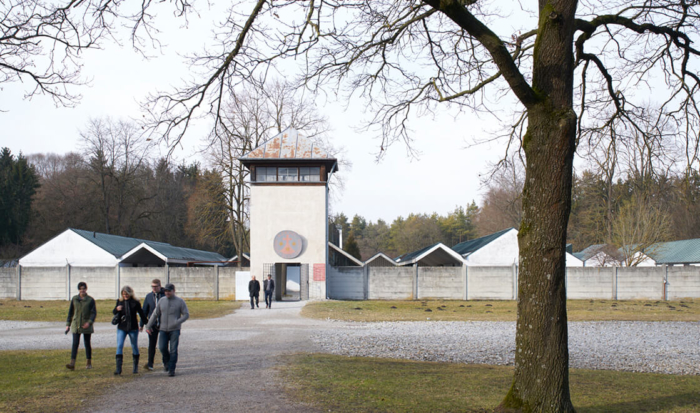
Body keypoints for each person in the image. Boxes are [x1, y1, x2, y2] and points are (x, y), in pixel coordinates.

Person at [145, 283, 189, 377]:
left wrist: (177, 322)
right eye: (166, 291)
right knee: (162, 347)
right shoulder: (162, 301)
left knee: (173, 349)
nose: (167, 293)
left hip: (174, 330)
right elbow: (155, 314)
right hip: (163, 329)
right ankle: (167, 362)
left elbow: (186, 314)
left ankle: (171, 369)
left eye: (169, 291)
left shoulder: (180, 301)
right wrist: (148, 326)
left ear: (173, 291)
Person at [113, 285, 146, 375]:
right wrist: (117, 309)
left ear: (130, 294)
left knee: (134, 346)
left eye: (127, 294)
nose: (125, 296)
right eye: (123, 294)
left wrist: (145, 324)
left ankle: (135, 367)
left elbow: (142, 314)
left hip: (133, 328)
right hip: (122, 327)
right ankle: (118, 368)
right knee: (119, 345)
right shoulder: (119, 302)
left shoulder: (135, 302)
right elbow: (114, 312)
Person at [65, 282, 96, 370]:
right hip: (76, 325)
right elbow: (70, 312)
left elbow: (93, 313)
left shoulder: (90, 300)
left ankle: (88, 362)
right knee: (75, 344)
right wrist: (68, 324)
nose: (82, 290)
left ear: (86, 289)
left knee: (87, 343)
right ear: (78, 289)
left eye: (84, 288)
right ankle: (72, 363)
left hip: (86, 325)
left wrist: (89, 322)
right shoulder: (74, 299)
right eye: (81, 289)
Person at [141, 278, 165, 371]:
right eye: (152, 286)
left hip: (163, 324)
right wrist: (142, 324)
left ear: (160, 286)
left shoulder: (164, 295)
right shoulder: (149, 297)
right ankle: (150, 364)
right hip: (153, 325)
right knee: (151, 345)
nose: (154, 288)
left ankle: (165, 363)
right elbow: (144, 311)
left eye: (155, 286)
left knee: (163, 345)